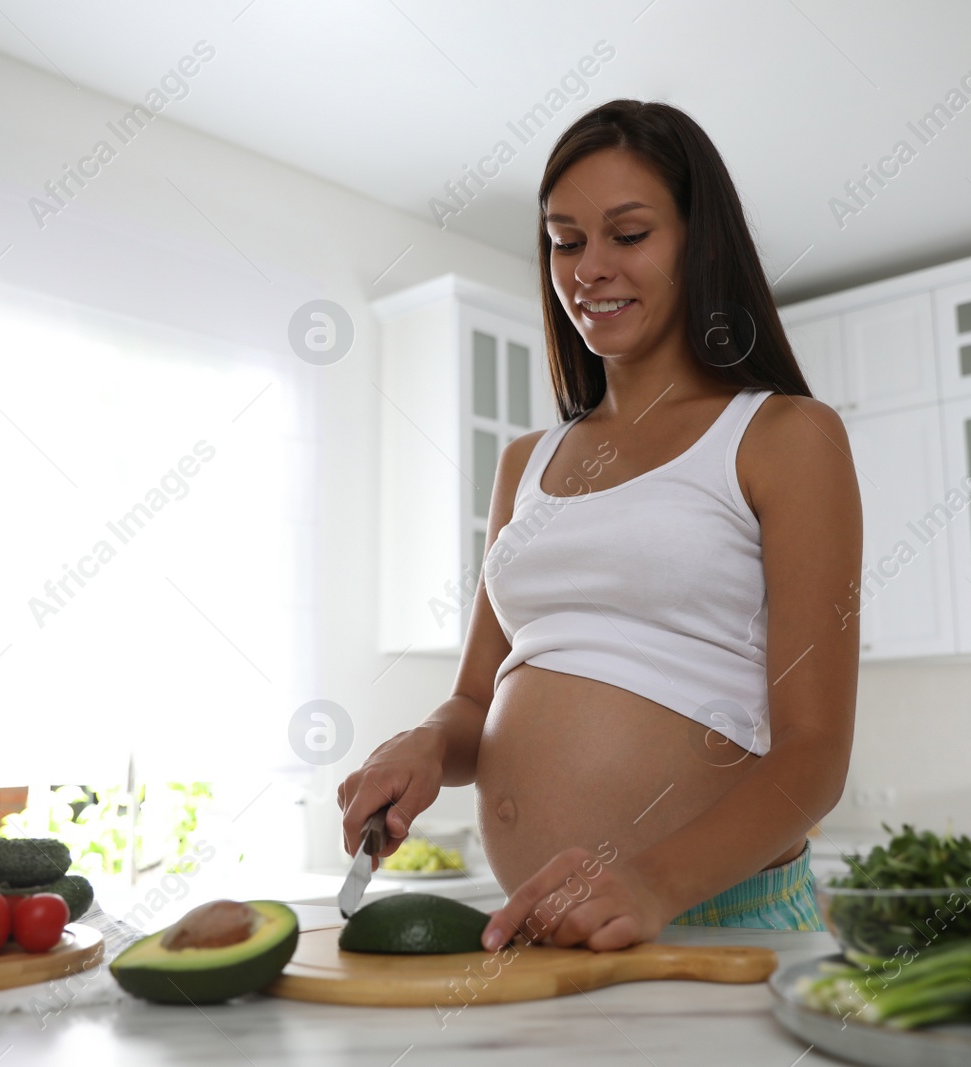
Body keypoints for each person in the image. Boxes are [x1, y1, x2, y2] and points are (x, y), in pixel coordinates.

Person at [339, 99, 861, 952]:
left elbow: (814, 754)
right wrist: (428, 742)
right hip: (547, 933)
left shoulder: (783, 437)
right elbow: (478, 697)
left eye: (628, 233)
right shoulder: (526, 463)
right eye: (565, 239)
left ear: (700, 242)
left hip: (712, 921)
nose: (589, 267)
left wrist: (653, 881)